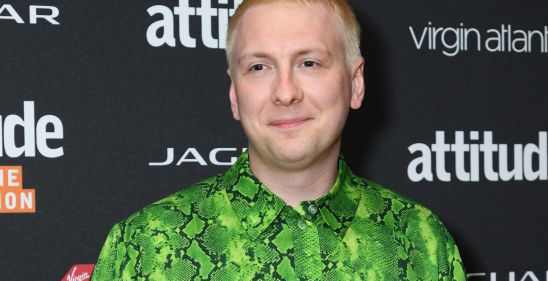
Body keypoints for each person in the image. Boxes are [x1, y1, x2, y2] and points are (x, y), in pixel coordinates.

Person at [91, 0, 467, 280]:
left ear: (355, 83)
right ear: (235, 95)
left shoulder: (420, 240)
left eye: (309, 63)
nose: (285, 93)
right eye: (259, 67)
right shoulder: (145, 246)